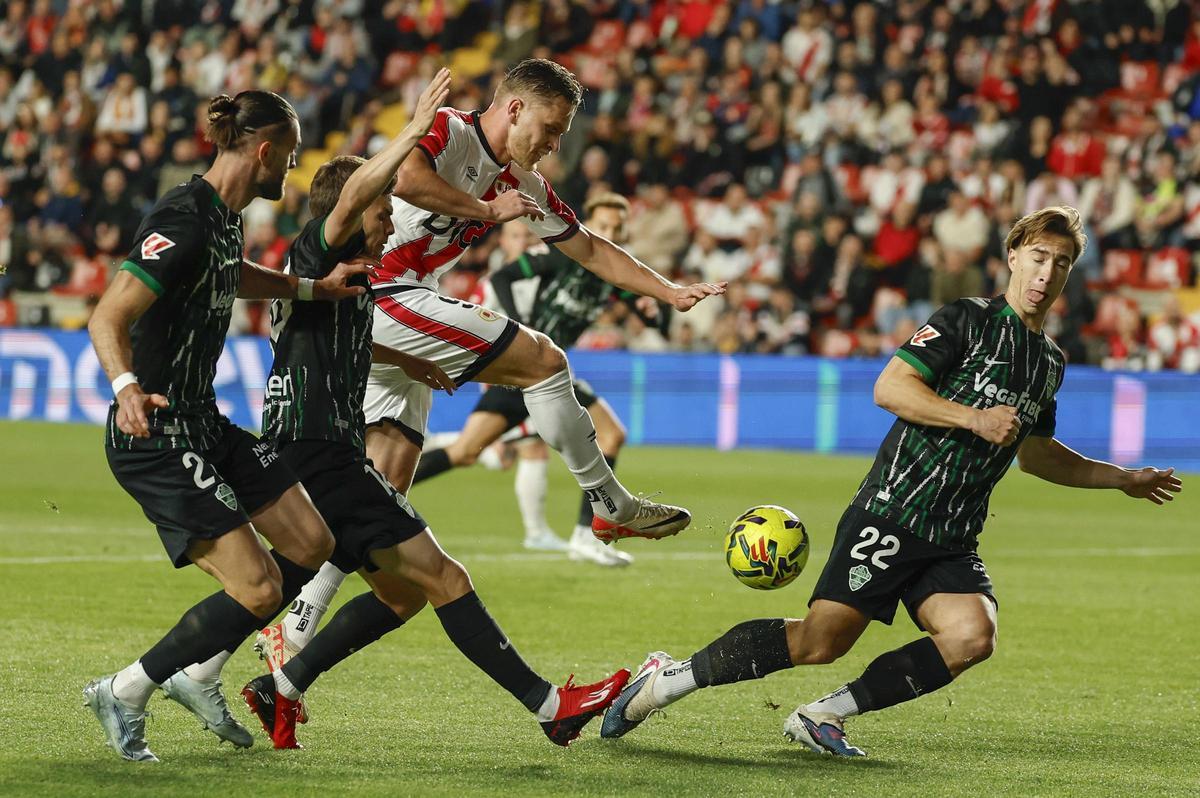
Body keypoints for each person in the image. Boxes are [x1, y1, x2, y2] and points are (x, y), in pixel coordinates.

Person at [599, 207, 1183, 755]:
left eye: (1061, 262)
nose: (1046, 272)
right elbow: (891, 389)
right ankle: (667, 679)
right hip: (893, 510)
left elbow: (1037, 456)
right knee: (820, 642)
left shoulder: (1049, 361)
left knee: (972, 636)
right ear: (1012, 256)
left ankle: (821, 715)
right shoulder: (966, 321)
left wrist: (1122, 478)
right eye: (1037, 256)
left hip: (953, 534)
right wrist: (973, 417)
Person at [239, 69, 630, 750]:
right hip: (320, 448)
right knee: (434, 571)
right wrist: (458, 183)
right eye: (381, 210)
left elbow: (352, 337)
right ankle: (164, 674)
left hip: (333, 424)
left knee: (402, 589)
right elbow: (407, 185)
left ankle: (281, 680)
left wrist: (417, 361)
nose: (391, 218)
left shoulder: (340, 279)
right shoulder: (338, 270)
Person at [82, 90, 373, 762]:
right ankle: (126, 689)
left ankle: (199, 672)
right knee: (260, 587)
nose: (293, 170)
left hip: (203, 422)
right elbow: (107, 316)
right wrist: (126, 388)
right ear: (264, 150)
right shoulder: (182, 215)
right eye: (291, 156)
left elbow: (230, 275)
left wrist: (312, 290)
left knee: (311, 541)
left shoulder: (225, 218)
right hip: (154, 433)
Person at [411, 194, 657, 567]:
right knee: (610, 435)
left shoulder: (611, 274)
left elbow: (646, 310)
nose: (611, 233)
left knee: (464, 451)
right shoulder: (563, 256)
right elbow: (504, 276)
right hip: (533, 368)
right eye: (603, 226)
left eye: (617, 228)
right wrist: (519, 331)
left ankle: (375, 490)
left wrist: (652, 310)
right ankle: (586, 537)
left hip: (542, 375)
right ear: (588, 223)